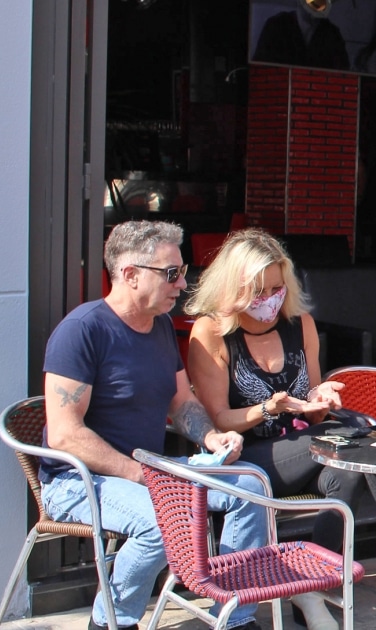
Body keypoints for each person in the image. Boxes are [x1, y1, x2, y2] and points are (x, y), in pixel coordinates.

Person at [185, 230, 376, 627]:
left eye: (277, 288)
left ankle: (312, 589)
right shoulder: (210, 332)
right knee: (356, 439)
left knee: (349, 470)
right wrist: (267, 408)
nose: (270, 300)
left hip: (306, 451)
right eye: (259, 291)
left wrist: (321, 397)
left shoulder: (300, 325)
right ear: (234, 288)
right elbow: (219, 419)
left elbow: (312, 413)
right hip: (246, 462)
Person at [39, 221, 268, 630]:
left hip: (149, 470)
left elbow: (181, 402)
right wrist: (139, 473)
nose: (181, 284)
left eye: (182, 271)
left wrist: (212, 437)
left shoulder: (160, 325)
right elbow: (64, 434)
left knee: (251, 486)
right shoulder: (82, 331)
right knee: (165, 521)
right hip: (76, 480)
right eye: (171, 273)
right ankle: (111, 622)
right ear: (130, 274)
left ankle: (234, 616)